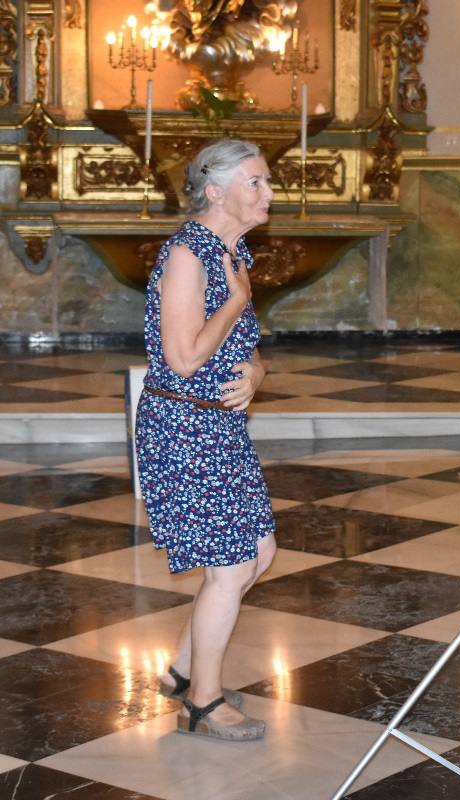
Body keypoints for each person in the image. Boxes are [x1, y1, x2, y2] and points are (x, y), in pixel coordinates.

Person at [135, 138, 277, 742]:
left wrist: (257, 374)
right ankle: (205, 701)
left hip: (216, 423)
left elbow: (245, 346)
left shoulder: (229, 249)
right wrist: (240, 298)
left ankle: (182, 670)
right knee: (232, 565)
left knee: (259, 552)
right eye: (256, 182)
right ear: (215, 191)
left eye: (266, 182)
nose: (268, 193)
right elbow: (184, 356)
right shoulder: (189, 255)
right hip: (184, 425)